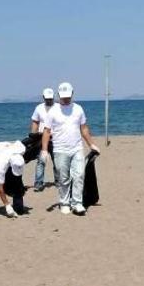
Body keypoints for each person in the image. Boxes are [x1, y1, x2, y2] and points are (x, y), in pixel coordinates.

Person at [41, 82, 100, 215]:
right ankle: (64, 202)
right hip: (60, 150)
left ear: (72, 94)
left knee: (79, 175)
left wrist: (91, 144)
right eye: (63, 97)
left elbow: (83, 128)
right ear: (58, 95)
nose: (66, 99)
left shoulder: (78, 109)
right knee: (63, 178)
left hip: (77, 148)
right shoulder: (53, 111)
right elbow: (46, 131)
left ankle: (77, 203)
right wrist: (44, 150)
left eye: (68, 96)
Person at [0, 141, 26, 219]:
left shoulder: (21, 151)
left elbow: (18, 179)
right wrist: (7, 205)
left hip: (5, 150)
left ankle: (18, 207)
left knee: (17, 181)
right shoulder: (2, 163)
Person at [30, 87, 57, 192]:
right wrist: (32, 136)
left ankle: (58, 181)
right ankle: (38, 183)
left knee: (57, 161)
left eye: (51, 98)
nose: (49, 100)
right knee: (41, 161)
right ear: (43, 98)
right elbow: (35, 122)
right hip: (42, 138)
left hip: (55, 138)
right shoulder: (39, 108)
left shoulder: (58, 107)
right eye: (47, 99)